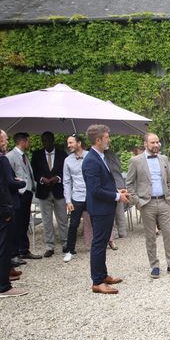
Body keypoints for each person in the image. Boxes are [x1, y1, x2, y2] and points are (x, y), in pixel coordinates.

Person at [126, 133, 170, 279]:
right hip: (147, 203)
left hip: (164, 202)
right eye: (153, 142)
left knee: (168, 234)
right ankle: (154, 266)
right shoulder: (135, 161)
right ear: (145, 144)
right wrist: (137, 202)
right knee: (150, 236)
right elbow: (129, 183)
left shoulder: (164, 159)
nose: (156, 145)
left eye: (157, 142)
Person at [82, 124, 128, 295]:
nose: (109, 139)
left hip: (105, 207)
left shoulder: (100, 156)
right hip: (100, 209)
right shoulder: (91, 160)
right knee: (99, 244)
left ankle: (103, 274)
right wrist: (117, 197)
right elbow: (95, 190)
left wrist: (116, 191)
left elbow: (103, 184)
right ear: (98, 140)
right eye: (107, 137)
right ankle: (97, 282)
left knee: (101, 243)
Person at [30, 131, 68, 257]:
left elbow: (66, 172)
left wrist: (58, 178)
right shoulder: (36, 155)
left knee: (62, 219)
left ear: (53, 141)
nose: (46, 143)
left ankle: (65, 243)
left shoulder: (62, 154)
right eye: (44, 141)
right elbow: (33, 172)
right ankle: (50, 246)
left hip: (59, 191)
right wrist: (41, 179)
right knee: (46, 220)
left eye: (48, 140)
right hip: (43, 191)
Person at [0, 129, 28, 297]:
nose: (6, 142)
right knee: (5, 248)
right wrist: (21, 182)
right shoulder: (2, 160)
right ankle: (4, 286)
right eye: (4, 140)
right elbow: (5, 185)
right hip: (4, 209)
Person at [6, 132, 41, 264]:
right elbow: (9, 177)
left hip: (27, 193)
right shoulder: (10, 156)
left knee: (24, 223)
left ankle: (24, 250)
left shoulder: (24, 155)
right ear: (22, 141)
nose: (29, 143)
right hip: (18, 194)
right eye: (28, 141)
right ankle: (15, 253)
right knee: (17, 224)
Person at [62, 134, 89, 262]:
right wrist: (68, 200)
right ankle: (70, 250)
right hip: (76, 197)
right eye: (68, 143)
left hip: (91, 196)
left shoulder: (90, 156)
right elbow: (66, 182)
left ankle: (99, 246)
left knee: (97, 222)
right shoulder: (67, 160)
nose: (69, 145)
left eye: (71, 143)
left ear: (79, 143)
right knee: (73, 224)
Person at [104, 147, 128, 243]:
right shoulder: (115, 156)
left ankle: (115, 233)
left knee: (112, 212)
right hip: (120, 183)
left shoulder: (103, 158)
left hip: (112, 185)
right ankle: (123, 232)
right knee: (120, 211)